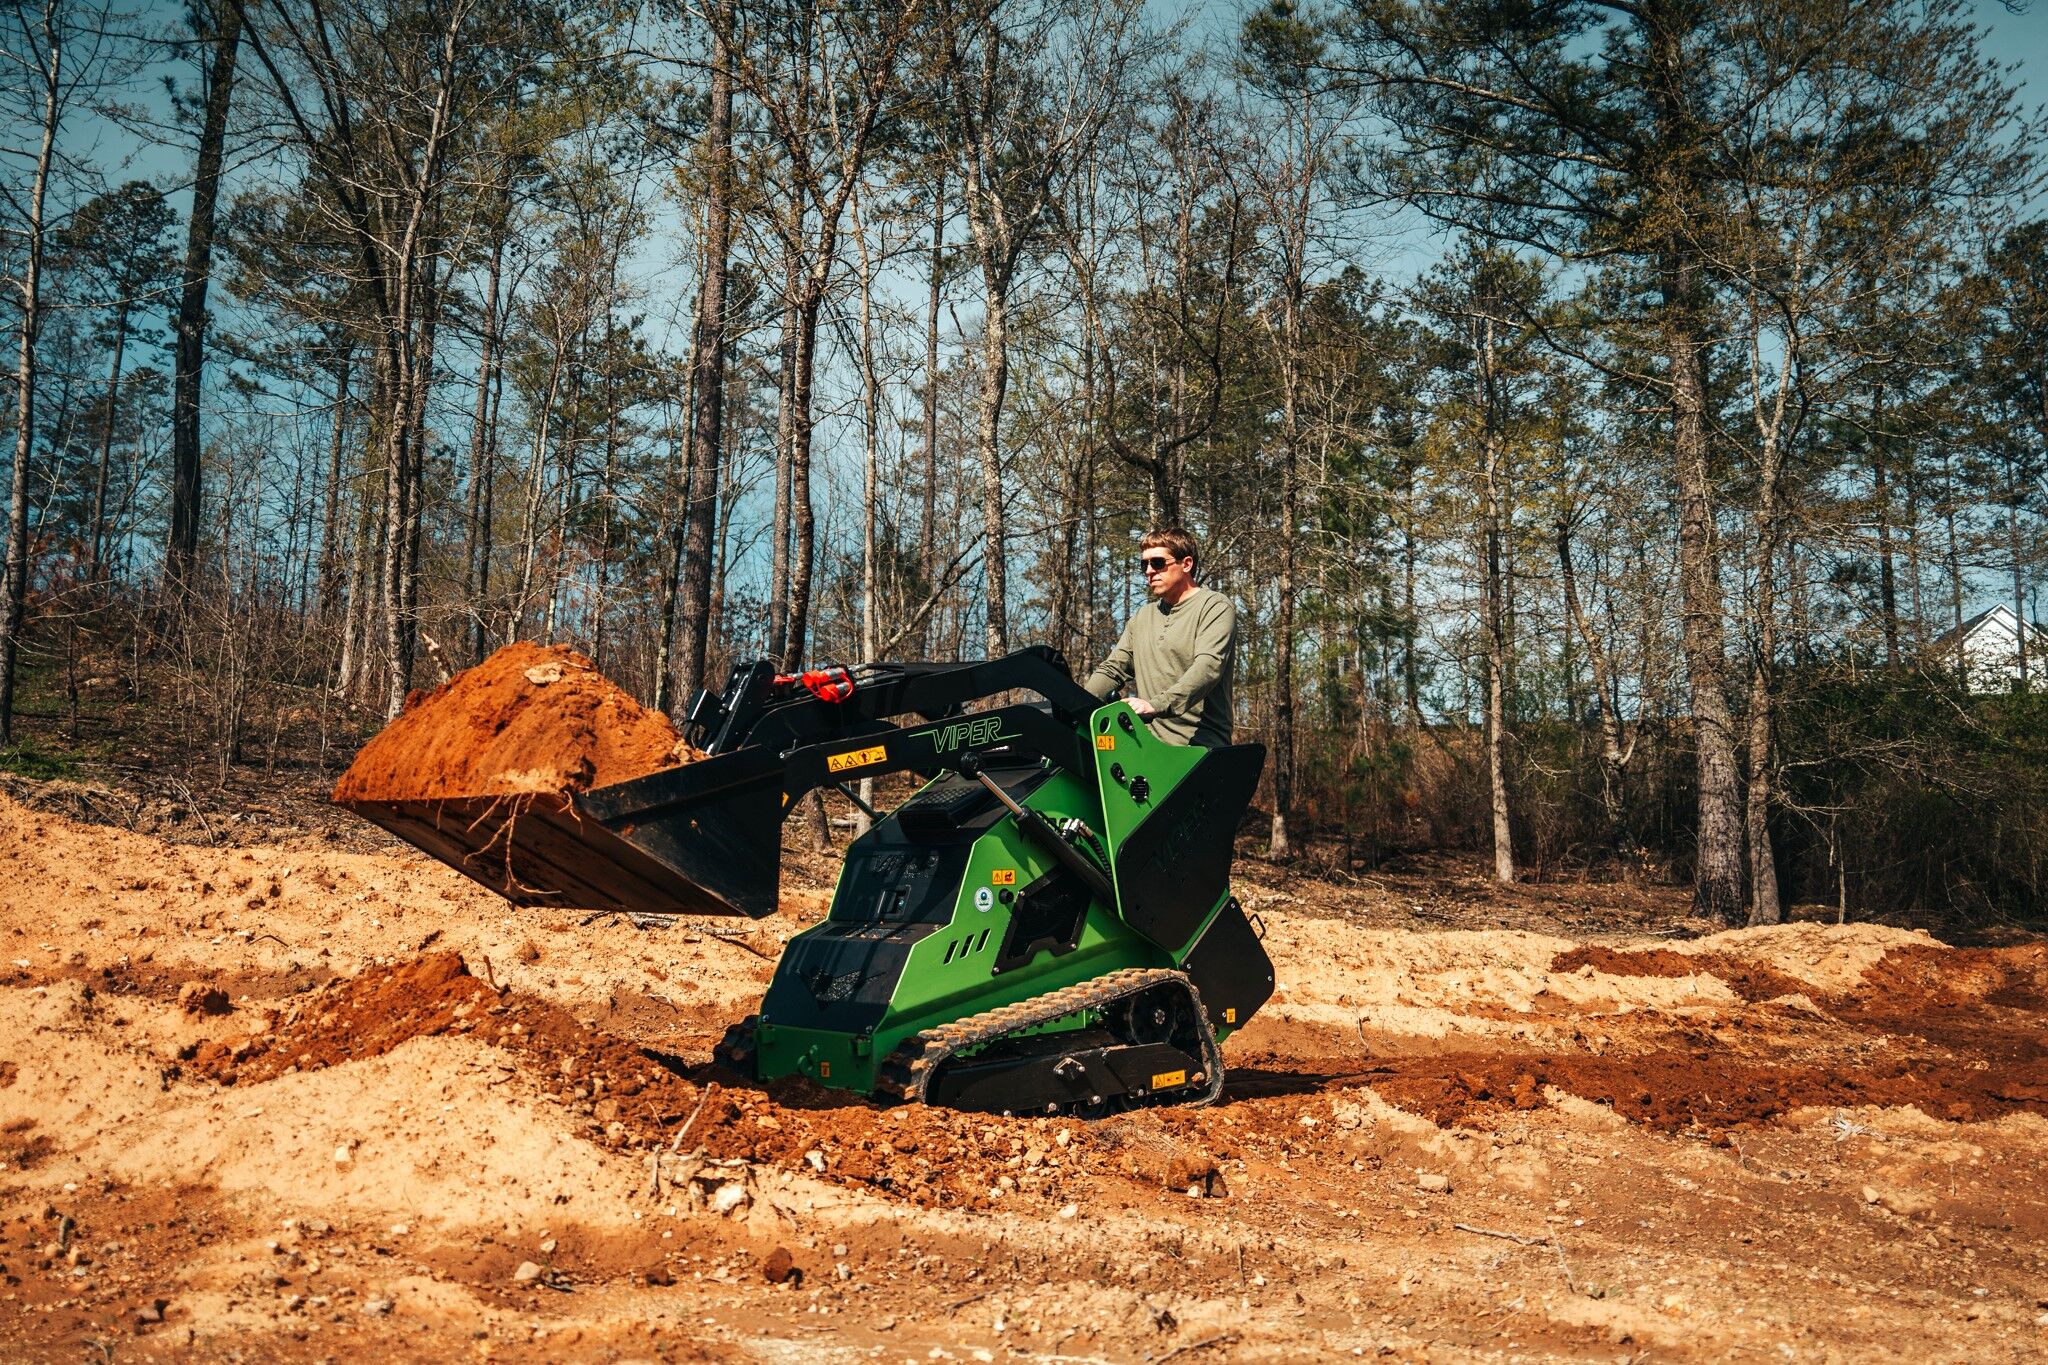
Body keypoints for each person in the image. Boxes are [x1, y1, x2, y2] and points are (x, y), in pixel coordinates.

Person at [1082, 527, 1237, 748]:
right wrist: (1075, 705)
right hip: (1149, 748)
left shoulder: (1215, 607)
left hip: (1201, 750)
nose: (1149, 571)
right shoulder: (1143, 617)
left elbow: (1208, 667)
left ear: (1186, 564)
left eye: (1157, 563)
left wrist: (1155, 705)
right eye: (1143, 564)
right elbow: (1113, 668)